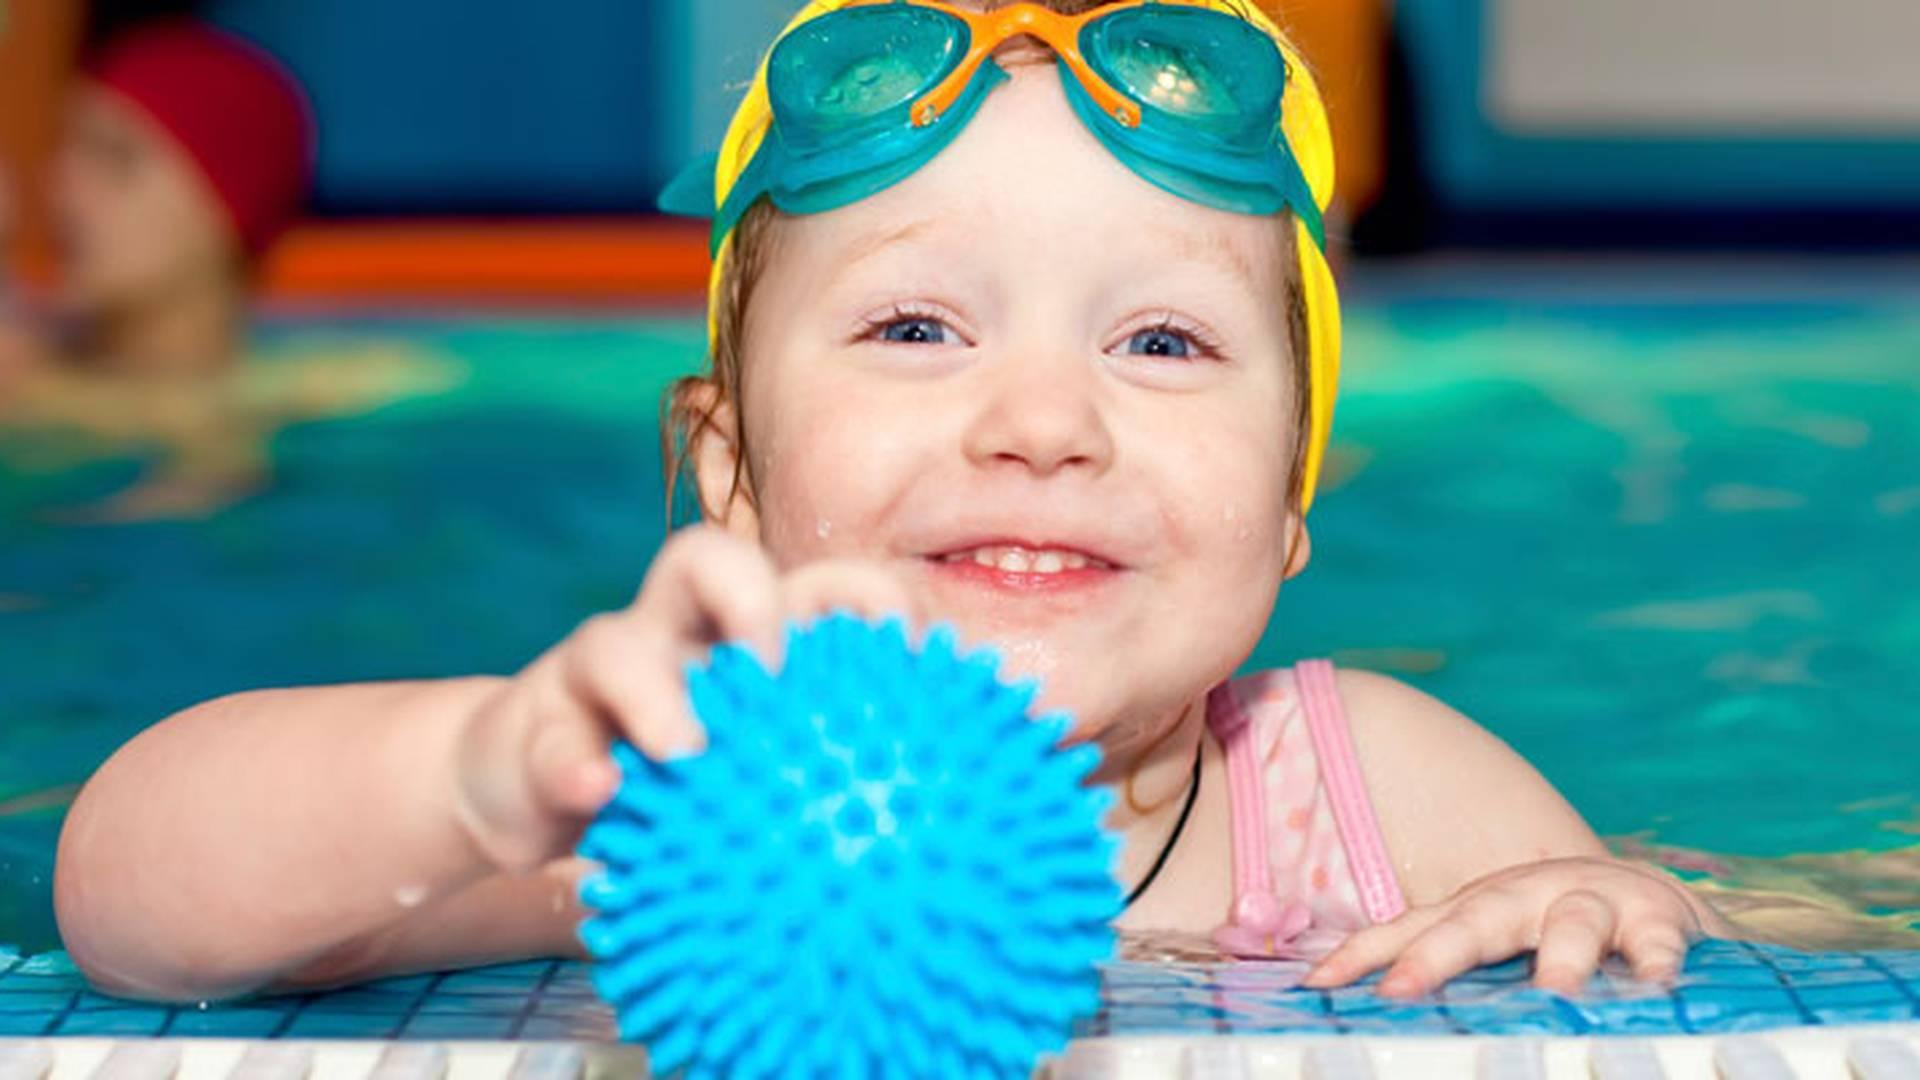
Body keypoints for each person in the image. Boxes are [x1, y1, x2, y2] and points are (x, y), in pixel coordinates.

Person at [54, 0, 1732, 1005]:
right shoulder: (678, 791)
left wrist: (1597, 909)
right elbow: (127, 899)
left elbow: (1740, 960)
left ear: (1290, 510)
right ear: (723, 469)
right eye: (917, 327)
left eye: (1161, 337)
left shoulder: (1367, 791)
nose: (1043, 420)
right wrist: (475, 776)